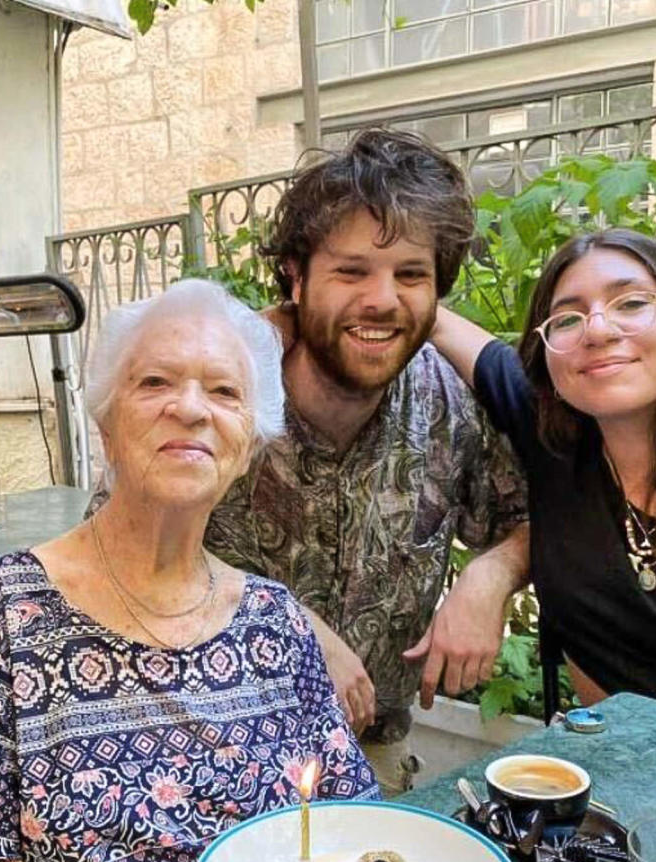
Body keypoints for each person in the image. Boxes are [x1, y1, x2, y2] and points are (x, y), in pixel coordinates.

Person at [0, 279, 381, 862]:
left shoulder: (276, 622)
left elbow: (351, 822)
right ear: (106, 427)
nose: (191, 408)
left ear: (248, 446)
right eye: (156, 381)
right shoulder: (8, 611)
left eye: (224, 392)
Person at [202, 128, 530, 792]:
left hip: (372, 754)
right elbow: (119, 543)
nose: (381, 298)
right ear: (296, 277)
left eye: (410, 274)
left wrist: (492, 575)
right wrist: (286, 622)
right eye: (351, 271)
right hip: (210, 748)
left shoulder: (454, 403)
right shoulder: (218, 394)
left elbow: (552, 513)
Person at [430, 229, 656, 709]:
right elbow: (426, 317)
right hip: (604, 766)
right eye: (566, 318)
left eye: (631, 303)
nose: (597, 330)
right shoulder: (554, 436)